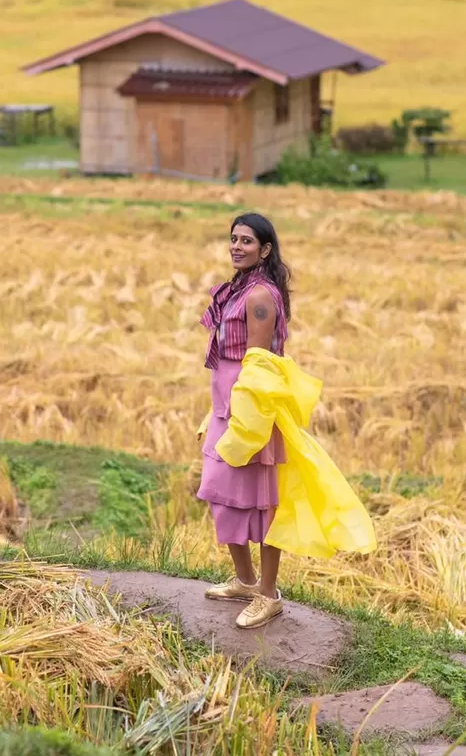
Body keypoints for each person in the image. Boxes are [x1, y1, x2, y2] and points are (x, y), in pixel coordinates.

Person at [197, 212, 291, 629]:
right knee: (222, 493)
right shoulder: (236, 290)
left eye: (247, 241)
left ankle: (268, 595)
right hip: (224, 403)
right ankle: (245, 579)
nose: (237, 246)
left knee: (262, 501)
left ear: (265, 250)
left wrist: (245, 419)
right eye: (233, 239)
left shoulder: (259, 297)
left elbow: (256, 364)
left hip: (249, 408)